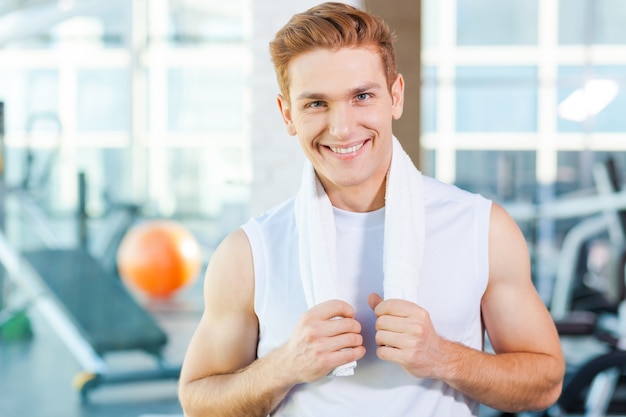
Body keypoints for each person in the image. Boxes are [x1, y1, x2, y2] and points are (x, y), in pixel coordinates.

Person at [178, 2, 565, 416]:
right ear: (287, 113)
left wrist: (441, 357)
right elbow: (199, 403)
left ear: (395, 96)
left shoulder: (482, 228)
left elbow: (545, 383)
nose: (342, 127)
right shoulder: (249, 252)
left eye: (362, 96)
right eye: (315, 104)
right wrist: (284, 366)